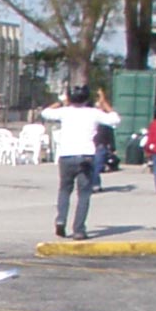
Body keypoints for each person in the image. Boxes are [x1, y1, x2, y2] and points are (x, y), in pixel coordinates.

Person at [41, 85, 120, 240]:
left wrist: (61, 101)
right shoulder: (93, 113)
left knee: (65, 190)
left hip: (66, 155)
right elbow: (115, 120)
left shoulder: (65, 112)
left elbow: (45, 112)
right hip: (86, 156)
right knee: (83, 194)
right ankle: (79, 229)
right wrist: (104, 102)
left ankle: (61, 219)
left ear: (70, 98)